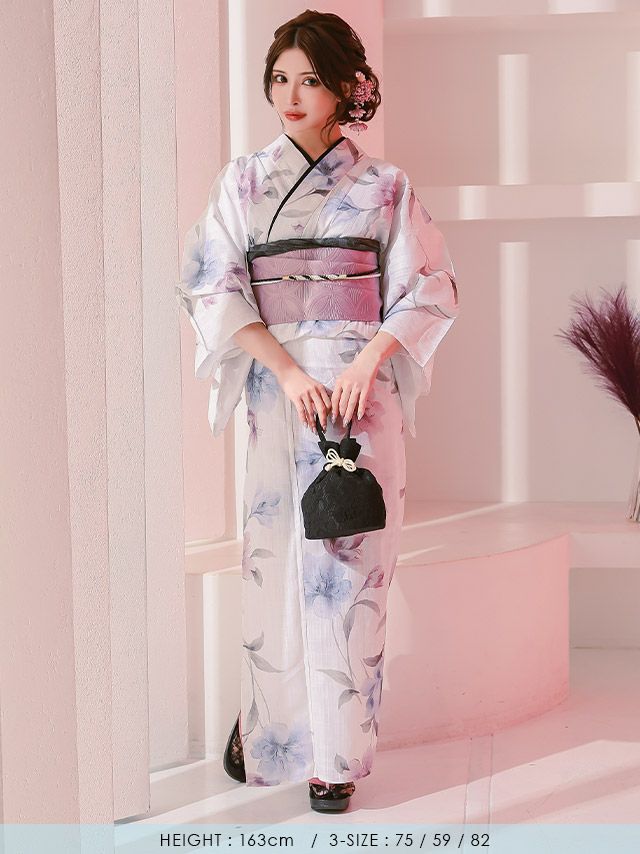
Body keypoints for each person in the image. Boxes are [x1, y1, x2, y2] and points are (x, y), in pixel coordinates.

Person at [176, 9, 460, 813]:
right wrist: (288, 372)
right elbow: (210, 282)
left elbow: (430, 286)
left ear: (344, 88)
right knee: (276, 561)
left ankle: (335, 758)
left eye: (308, 79)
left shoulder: (386, 187)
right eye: (279, 79)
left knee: (350, 572)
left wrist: (367, 364)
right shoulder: (242, 182)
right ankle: (270, 728)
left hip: (362, 402)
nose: (290, 95)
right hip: (281, 395)